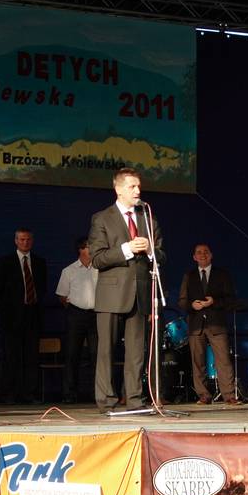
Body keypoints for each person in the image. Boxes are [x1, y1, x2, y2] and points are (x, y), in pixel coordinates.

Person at [88, 167, 165, 413]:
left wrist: (150, 250)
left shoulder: (148, 218)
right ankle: (106, 400)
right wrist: (127, 249)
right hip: (111, 293)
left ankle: (135, 399)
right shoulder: (102, 218)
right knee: (107, 351)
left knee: (136, 352)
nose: (137, 191)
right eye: (132, 186)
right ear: (118, 189)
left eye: (139, 186)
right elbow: (97, 259)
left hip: (140, 293)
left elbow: (162, 256)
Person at [178, 243, 240, 405]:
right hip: (196, 325)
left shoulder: (222, 274)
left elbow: (231, 300)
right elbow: (182, 301)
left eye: (206, 252)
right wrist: (192, 305)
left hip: (217, 324)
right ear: (194, 257)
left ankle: (229, 395)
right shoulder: (189, 276)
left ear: (211, 255)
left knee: (223, 360)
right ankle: (204, 395)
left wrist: (214, 301)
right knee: (197, 362)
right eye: (199, 252)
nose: (203, 254)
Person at [0, 228, 48, 404]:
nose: (25, 242)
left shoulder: (39, 262)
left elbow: (43, 288)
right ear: (16, 241)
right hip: (12, 316)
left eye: (28, 239)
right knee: (11, 356)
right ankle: (9, 393)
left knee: (31, 356)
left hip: (33, 314)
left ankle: (30, 393)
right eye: (22, 239)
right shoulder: (5, 262)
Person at [56, 236, 99, 404]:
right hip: (76, 315)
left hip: (96, 314)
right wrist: (74, 307)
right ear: (81, 250)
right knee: (72, 354)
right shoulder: (69, 271)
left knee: (97, 355)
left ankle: (97, 393)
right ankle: (69, 394)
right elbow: (62, 296)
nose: (92, 250)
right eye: (88, 247)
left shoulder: (99, 269)